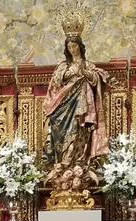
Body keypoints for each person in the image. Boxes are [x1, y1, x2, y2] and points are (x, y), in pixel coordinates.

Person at [44, 35, 108, 172]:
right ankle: (62, 162)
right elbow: (56, 81)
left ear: (80, 47)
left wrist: (85, 72)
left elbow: (95, 79)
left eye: (74, 46)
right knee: (58, 126)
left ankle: (78, 162)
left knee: (79, 129)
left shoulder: (88, 65)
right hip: (65, 102)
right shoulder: (64, 66)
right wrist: (69, 73)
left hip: (82, 103)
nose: (72, 49)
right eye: (69, 47)